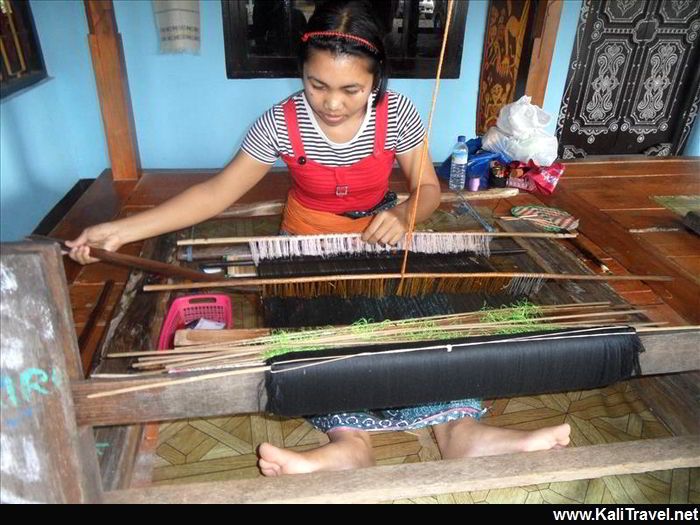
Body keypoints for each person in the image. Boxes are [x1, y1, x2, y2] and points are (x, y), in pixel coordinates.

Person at [68, 0, 570, 477]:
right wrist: (120, 229)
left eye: (351, 89)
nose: (331, 103)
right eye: (316, 84)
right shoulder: (280, 123)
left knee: (416, 324)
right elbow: (216, 193)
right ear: (302, 74)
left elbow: (428, 188)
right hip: (304, 249)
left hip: (382, 243)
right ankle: (350, 444)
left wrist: (405, 212)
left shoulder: (397, 115)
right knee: (323, 335)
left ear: (376, 80)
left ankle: (461, 433)